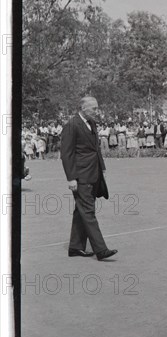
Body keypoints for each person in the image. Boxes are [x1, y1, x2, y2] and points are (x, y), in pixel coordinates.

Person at [60, 97, 118, 260]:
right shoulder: (71, 125)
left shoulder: (92, 123)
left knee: (81, 211)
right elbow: (66, 154)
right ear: (83, 108)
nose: (96, 111)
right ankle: (101, 250)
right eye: (94, 108)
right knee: (88, 211)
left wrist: (102, 167)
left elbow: (95, 148)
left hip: (93, 172)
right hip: (80, 175)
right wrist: (71, 178)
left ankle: (75, 247)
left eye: (97, 108)